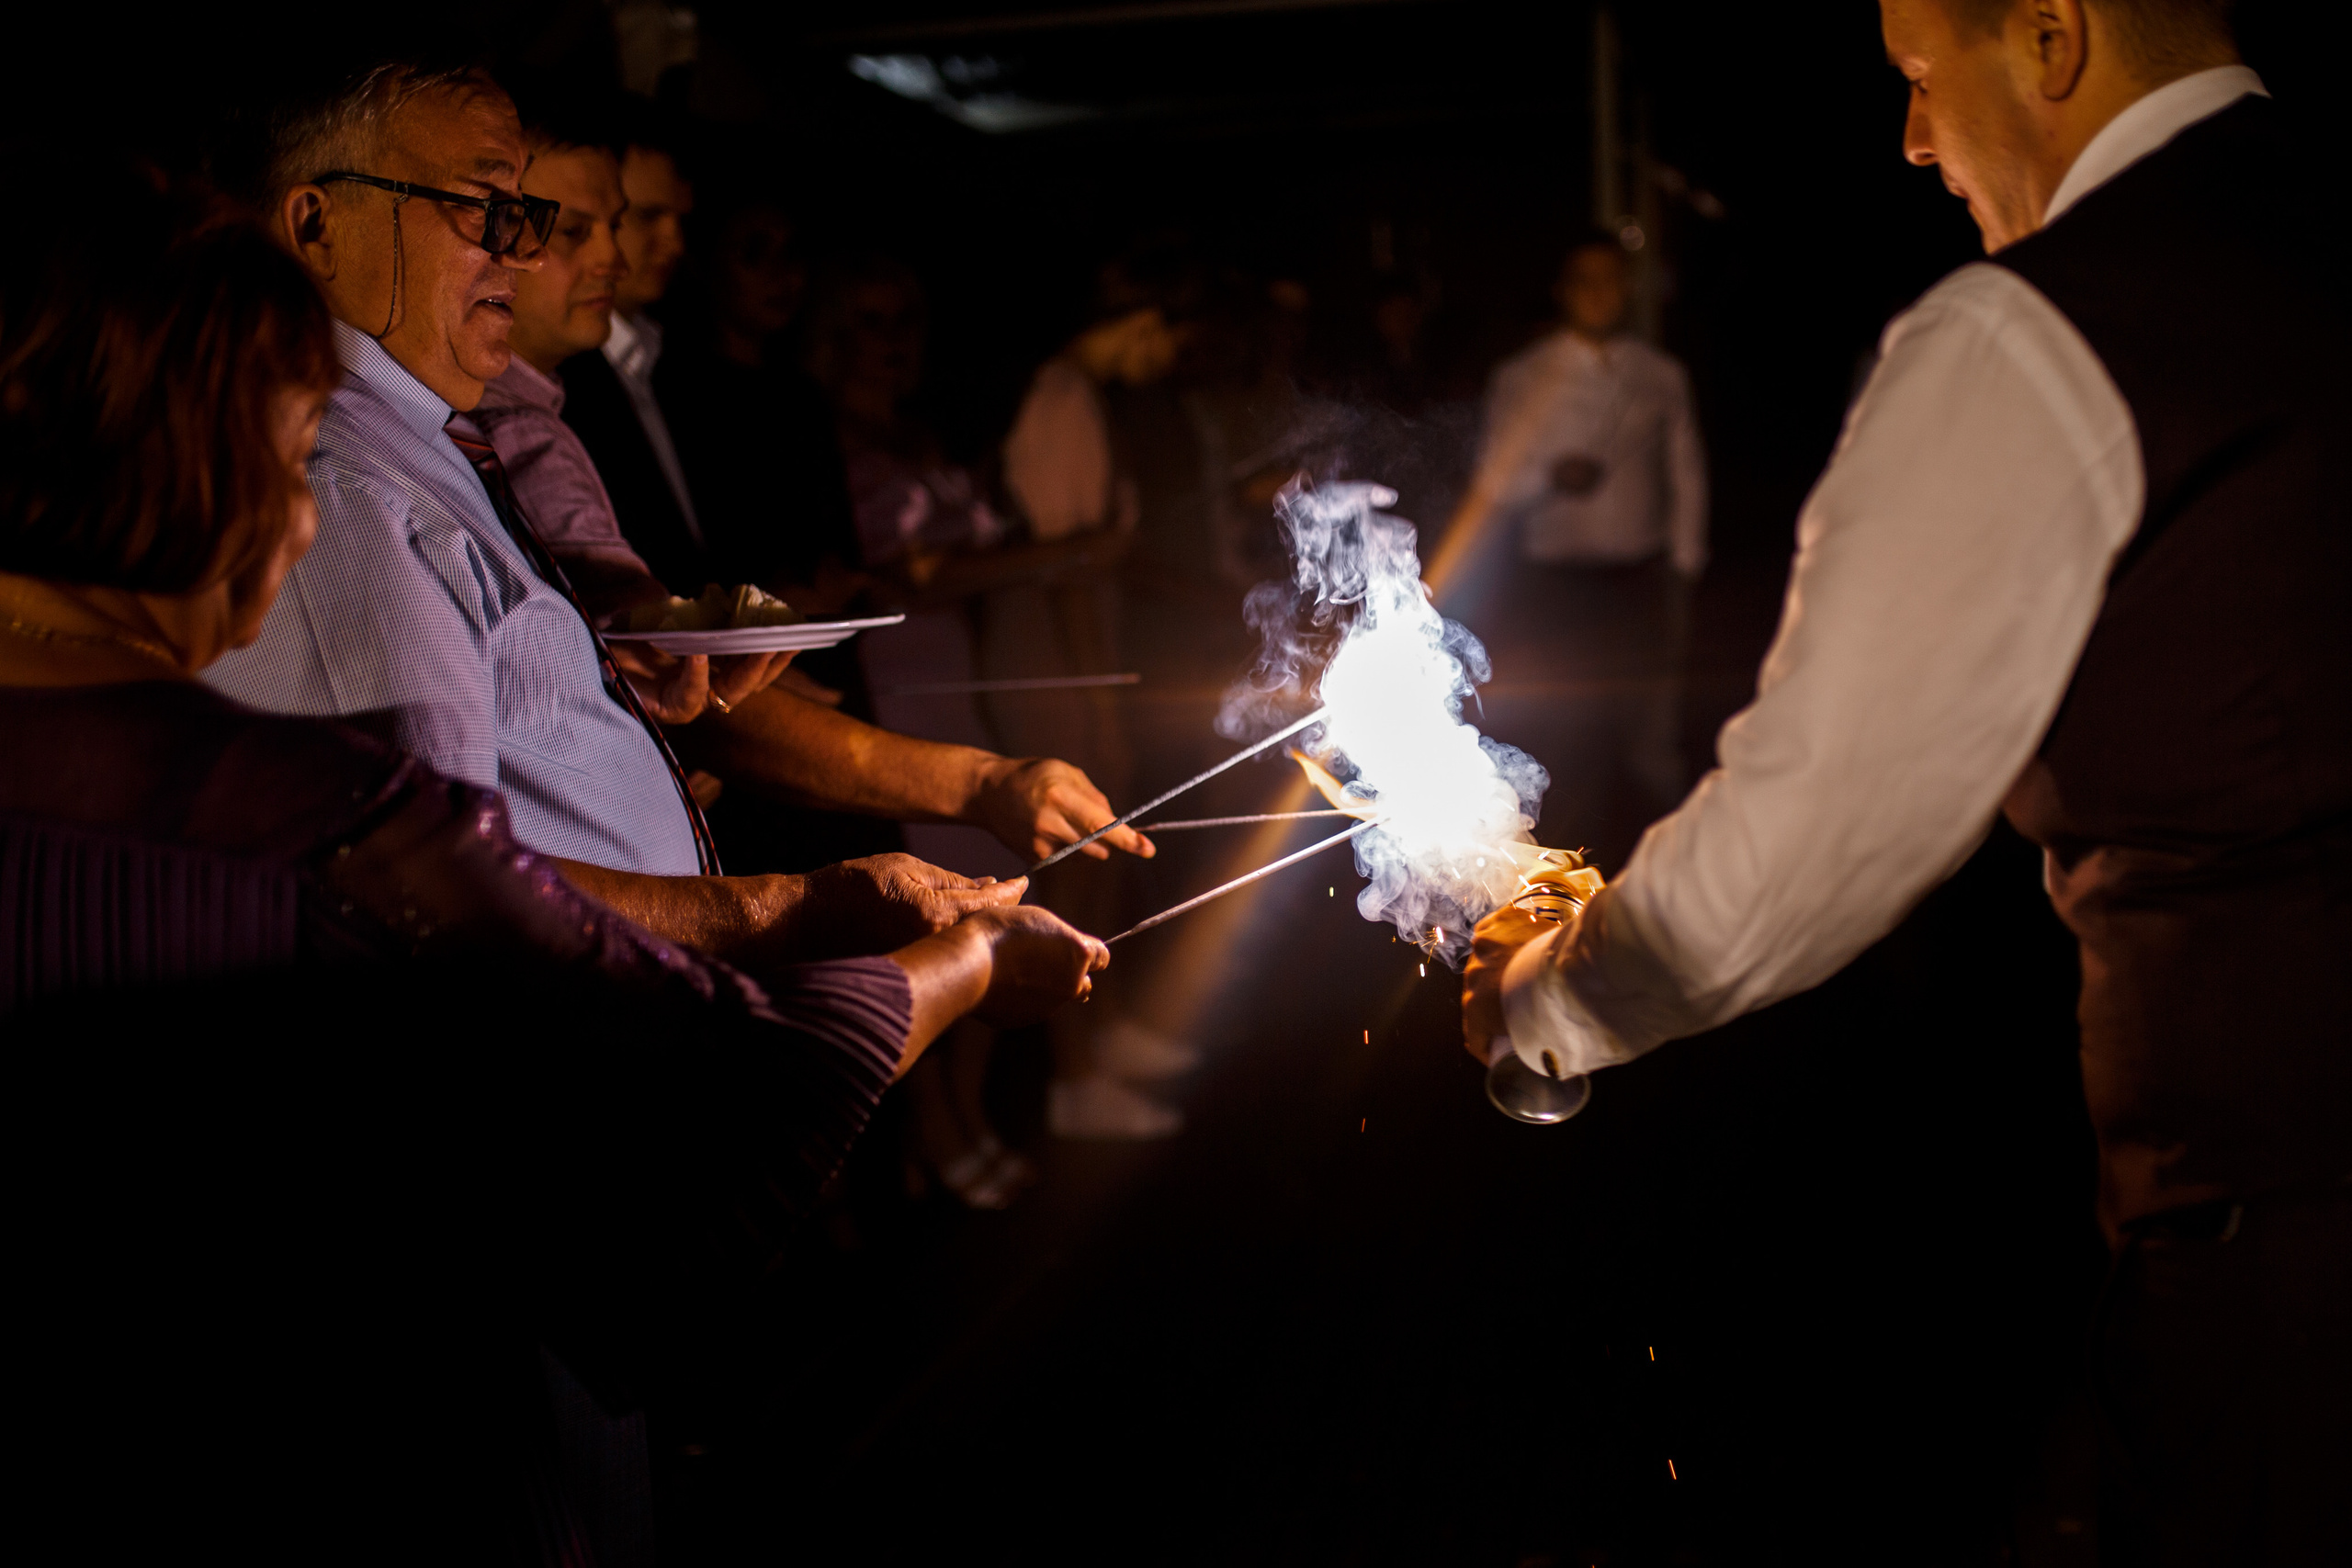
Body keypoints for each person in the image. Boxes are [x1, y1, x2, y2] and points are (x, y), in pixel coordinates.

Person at [0, 156, 1109, 1559]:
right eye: (283, 464)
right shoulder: (309, 815)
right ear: (175, 454)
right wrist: (959, 961)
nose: (300, 520)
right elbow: (706, 1098)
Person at [1463, 4, 2347, 1561]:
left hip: (2292, 1234)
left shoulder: (2037, 332)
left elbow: (1811, 836)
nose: (1916, 143)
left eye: (1925, 80)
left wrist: (1542, 1002)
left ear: (2052, 37)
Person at [199, 60, 1098, 966]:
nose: (522, 252)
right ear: (318, 226)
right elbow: (424, 881)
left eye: (533, 218)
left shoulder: (423, 441)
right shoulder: (338, 481)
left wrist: (617, 691)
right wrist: (793, 911)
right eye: (485, 210)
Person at [474, 93, 1158, 879]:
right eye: (569, 231)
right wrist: (979, 782)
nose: (617, 259)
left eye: (617, 225)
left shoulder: (573, 402)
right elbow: (652, 650)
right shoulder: (514, 426)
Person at [1450, 230, 1708, 866]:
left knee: (1650, 732)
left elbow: (1686, 470)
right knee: (1568, 732)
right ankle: (1569, 874)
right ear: (1563, 290)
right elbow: (1493, 481)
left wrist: (1684, 565)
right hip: (1558, 587)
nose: (1600, 293)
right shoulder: (1524, 376)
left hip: (1642, 578)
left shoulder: (1659, 373)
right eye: (1585, 281)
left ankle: (1663, 871)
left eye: (1612, 280)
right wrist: (1550, 478)